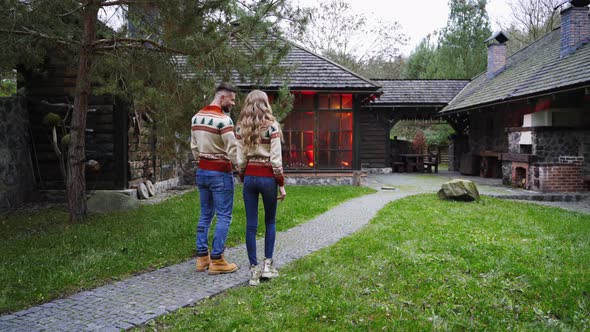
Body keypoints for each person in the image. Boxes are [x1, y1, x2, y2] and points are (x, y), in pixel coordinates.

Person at [235, 90, 287, 286]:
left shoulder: (241, 128)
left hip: (250, 177)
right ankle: (267, 267)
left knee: (251, 224)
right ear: (266, 104)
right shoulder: (272, 127)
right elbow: (275, 160)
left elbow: (240, 160)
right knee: (270, 221)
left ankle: (253, 270)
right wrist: (281, 183)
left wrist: (243, 176)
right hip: (267, 179)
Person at [191, 83, 239, 275]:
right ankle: (217, 260)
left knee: (205, 214)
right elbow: (232, 149)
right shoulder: (224, 120)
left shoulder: (196, 118)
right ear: (222, 98)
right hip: (220, 172)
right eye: (232, 99)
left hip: (202, 171)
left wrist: (202, 161)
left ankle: (202, 258)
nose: (233, 103)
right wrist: (240, 167)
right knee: (224, 215)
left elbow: (194, 147)